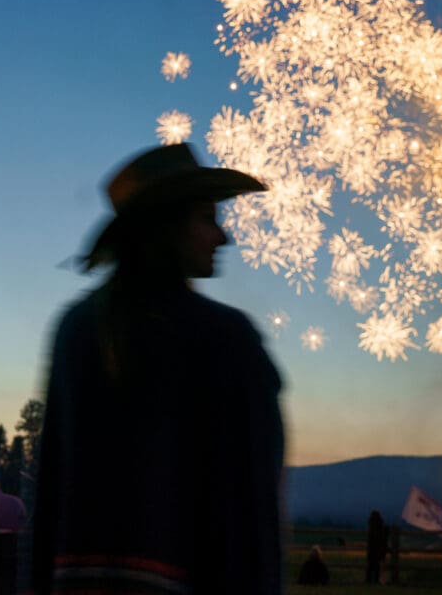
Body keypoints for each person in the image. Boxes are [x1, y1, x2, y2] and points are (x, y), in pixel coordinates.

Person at [31, 143, 284, 595]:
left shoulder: (75, 331)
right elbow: (252, 518)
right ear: (167, 227)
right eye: (208, 219)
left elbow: (45, 499)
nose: (223, 237)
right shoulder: (227, 340)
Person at [364, 510, 387, 585]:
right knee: (376, 566)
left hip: (372, 550)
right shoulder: (381, 528)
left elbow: (370, 540)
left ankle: (369, 580)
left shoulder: (371, 527)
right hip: (378, 550)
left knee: (370, 567)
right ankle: (376, 581)